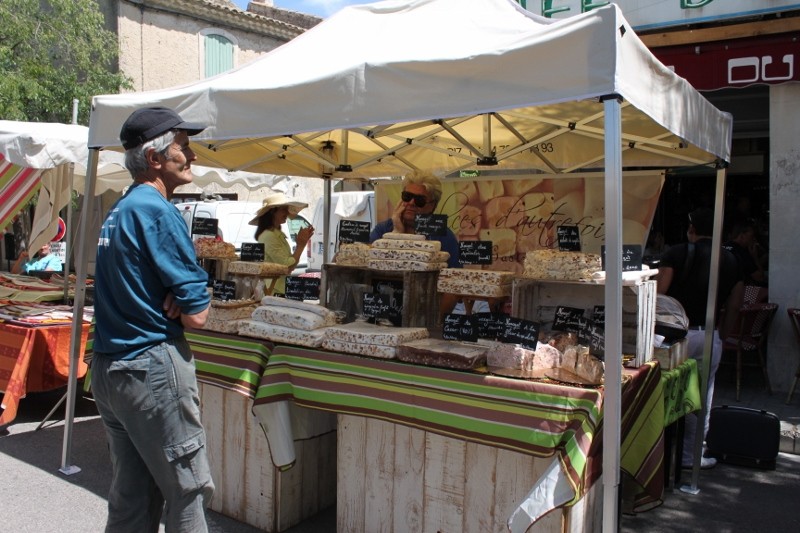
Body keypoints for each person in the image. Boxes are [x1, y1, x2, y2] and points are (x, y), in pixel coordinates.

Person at [91, 107, 214, 532]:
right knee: (188, 492)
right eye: (183, 145)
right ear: (156, 157)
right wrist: (189, 296)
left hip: (111, 368)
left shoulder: (123, 208)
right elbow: (198, 315)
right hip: (151, 369)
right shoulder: (159, 211)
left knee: (132, 495)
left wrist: (174, 293)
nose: (192, 154)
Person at [656, 207, 744, 470]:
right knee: (701, 397)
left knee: (661, 392)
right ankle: (689, 457)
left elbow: (659, 296)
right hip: (708, 334)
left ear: (691, 229)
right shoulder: (731, 261)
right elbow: (735, 305)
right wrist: (721, 336)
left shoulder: (676, 252)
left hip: (672, 336)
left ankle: (656, 454)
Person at [369, 170, 460, 268]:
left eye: (419, 200)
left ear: (433, 205)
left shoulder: (444, 236)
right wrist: (396, 234)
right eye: (407, 196)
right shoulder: (382, 230)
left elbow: (454, 272)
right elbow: (369, 264)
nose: (411, 203)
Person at [248, 192, 314, 296]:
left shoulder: (275, 234)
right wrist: (301, 245)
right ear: (272, 212)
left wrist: (301, 244)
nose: (287, 213)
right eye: (283, 209)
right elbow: (286, 266)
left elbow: (290, 266)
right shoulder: (269, 236)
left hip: (278, 289)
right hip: (273, 290)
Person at [723, 218, 766, 286]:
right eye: (751, 236)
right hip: (737, 291)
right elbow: (759, 277)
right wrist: (755, 257)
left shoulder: (723, 246)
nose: (754, 239)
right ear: (742, 235)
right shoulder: (741, 252)